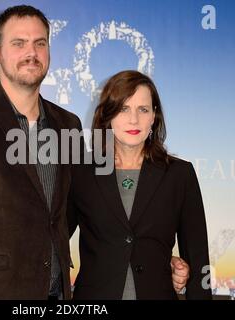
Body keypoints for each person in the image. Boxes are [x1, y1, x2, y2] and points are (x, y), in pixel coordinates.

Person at [0, 5, 189, 300]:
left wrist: (154, 258)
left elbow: (82, 213)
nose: (31, 52)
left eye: (40, 43)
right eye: (18, 43)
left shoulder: (67, 124)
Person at [67, 70, 212, 300]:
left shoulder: (180, 175)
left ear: (154, 116)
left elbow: (198, 258)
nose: (133, 119)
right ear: (108, 115)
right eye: (124, 108)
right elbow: (55, 237)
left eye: (143, 109)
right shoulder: (81, 172)